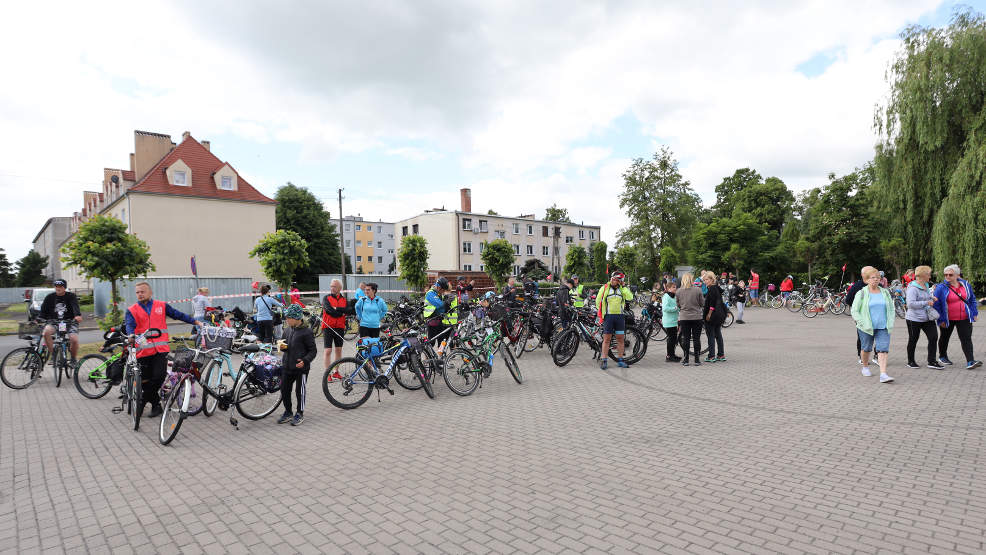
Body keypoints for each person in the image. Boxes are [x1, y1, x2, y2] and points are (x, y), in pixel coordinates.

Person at [125, 282, 202, 417]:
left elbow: (178, 315)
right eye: (137, 292)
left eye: (142, 291)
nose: (140, 294)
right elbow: (130, 326)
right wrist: (131, 335)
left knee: (159, 376)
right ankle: (156, 406)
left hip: (160, 349)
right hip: (142, 350)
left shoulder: (161, 306)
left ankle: (142, 402)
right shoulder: (132, 310)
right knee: (145, 380)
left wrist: (195, 322)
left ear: (150, 292)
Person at [850, 266, 895, 383]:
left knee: (883, 349)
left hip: (883, 326)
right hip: (866, 327)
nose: (876, 280)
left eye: (878, 278)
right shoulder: (861, 293)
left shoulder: (885, 292)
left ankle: (883, 374)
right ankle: (865, 366)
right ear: (866, 280)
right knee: (866, 348)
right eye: (873, 277)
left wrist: (890, 321)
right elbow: (854, 310)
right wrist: (861, 322)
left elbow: (891, 308)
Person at [932, 264, 981, 369]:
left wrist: (974, 313)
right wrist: (941, 319)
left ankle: (970, 361)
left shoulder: (966, 285)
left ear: (957, 275)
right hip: (947, 318)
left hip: (964, 317)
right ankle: (942, 356)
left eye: (950, 274)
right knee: (945, 337)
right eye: (945, 275)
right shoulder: (941, 287)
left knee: (966, 339)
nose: (947, 277)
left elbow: (972, 299)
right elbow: (937, 304)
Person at [277, 304, 317, 426]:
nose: (286, 320)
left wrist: (305, 361)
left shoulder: (307, 332)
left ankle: (300, 413)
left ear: (297, 318)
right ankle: (288, 412)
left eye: (289, 318)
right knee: (284, 389)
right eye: (286, 318)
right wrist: (281, 346)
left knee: (300, 391)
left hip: (301, 368)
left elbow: (313, 351)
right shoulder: (287, 329)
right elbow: (283, 345)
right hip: (287, 366)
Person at [904, 266, 942, 370]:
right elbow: (910, 304)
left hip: (927, 317)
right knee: (913, 339)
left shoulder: (926, 285)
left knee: (933, 337)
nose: (930, 276)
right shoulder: (912, 288)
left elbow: (926, 296)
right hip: (914, 319)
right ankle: (911, 361)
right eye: (928, 274)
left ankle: (932, 361)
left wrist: (931, 297)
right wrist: (926, 302)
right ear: (922, 275)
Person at [595, 271, 633, 370]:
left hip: (620, 317)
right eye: (612, 278)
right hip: (608, 317)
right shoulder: (605, 288)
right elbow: (598, 301)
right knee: (607, 339)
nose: (613, 280)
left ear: (620, 281)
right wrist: (602, 315)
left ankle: (620, 360)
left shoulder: (622, 289)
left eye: (616, 279)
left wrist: (624, 287)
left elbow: (630, 297)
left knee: (620, 339)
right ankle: (604, 360)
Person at [40, 279, 83, 366]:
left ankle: (73, 359)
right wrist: (39, 318)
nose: (58, 288)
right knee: (46, 333)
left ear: (64, 288)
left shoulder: (71, 296)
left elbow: (75, 307)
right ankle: (54, 355)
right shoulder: (49, 297)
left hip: (69, 322)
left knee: (74, 340)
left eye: (60, 286)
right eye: (56, 286)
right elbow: (43, 312)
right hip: (55, 322)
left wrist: (77, 315)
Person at [321, 279, 351, 378]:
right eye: (331, 286)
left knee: (338, 350)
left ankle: (336, 372)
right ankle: (327, 374)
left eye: (334, 286)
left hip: (340, 327)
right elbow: (329, 310)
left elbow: (348, 310)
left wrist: (337, 309)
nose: (332, 288)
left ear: (340, 288)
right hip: (328, 327)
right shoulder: (326, 298)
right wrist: (341, 313)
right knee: (328, 351)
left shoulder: (344, 300)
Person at [676, 273, 704, 366]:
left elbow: (678, 304)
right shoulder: (698, 290)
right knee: (696, 338)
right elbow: (702, 303)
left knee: (686, 338)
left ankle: (686, 359)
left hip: (684, 317)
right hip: (697, 317)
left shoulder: (679, 291)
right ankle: (697, 359)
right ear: (692, 280)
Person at [701, 271, 727, 363]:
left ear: (712, 279)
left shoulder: (711, 289)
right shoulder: (716, 288)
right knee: (718, 335)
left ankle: (711, 356)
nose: (705, 281)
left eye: (707, 279)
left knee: (711, 336)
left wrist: (709, 314)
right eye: (704, 280)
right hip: (719, 316)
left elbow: (712, 303)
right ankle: (721, 355)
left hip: (712, 316)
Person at [845, 273, 867, 363]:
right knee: (862, 336)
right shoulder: (857, 286)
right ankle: (861, 356)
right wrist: (856, 309)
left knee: (878, 336)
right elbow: (848, 300)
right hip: (861, 315)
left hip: (876, 316)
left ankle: (878, 354)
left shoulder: (879, 286)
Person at [662, 280, 680, 362]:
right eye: (673, 287)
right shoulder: (666, 296)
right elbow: (665, 308)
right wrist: (675, 309)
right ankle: (669, 356)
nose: (675, 288)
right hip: (668, 321)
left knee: (674, 339)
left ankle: (672, 354)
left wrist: (679, 308)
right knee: (671, 339)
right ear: (668, 288)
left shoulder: (674, 296)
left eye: (675, 287)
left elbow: (677, 306)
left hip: (674, 320)